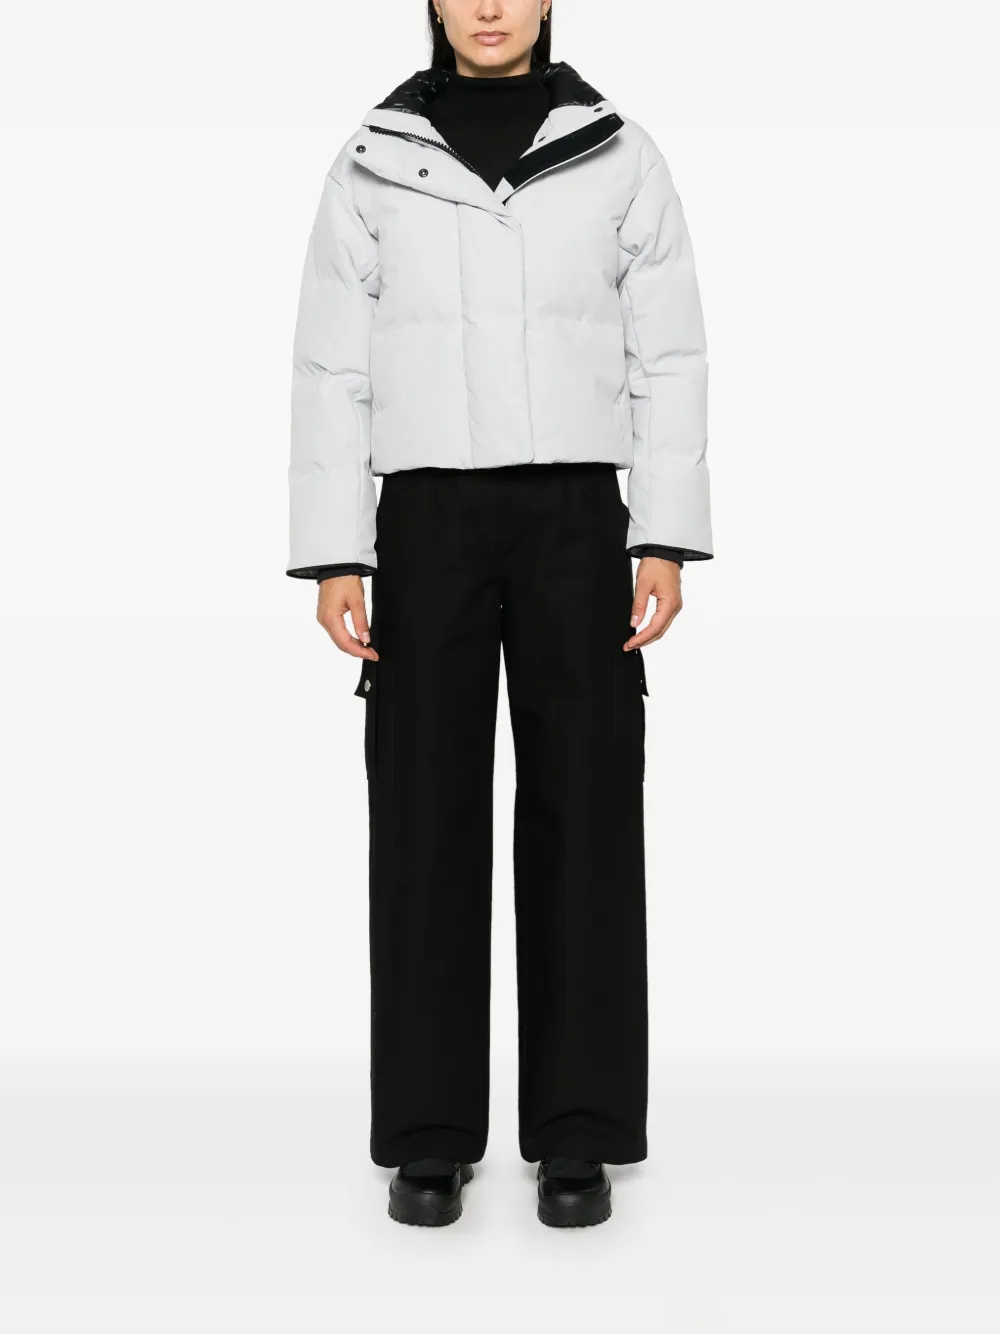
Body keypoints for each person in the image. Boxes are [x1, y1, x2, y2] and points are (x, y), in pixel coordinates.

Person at [286, 0, 711, 1228]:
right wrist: (337, 552)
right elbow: (331, 363)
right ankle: (428, 1133)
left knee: (587, 811)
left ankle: (578, 1131)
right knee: (423, 814)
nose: (487, 5)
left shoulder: (617, 152)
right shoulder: (373, 158)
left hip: (577, 517)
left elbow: (668, 353)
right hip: (426, 521)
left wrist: (663, 532)